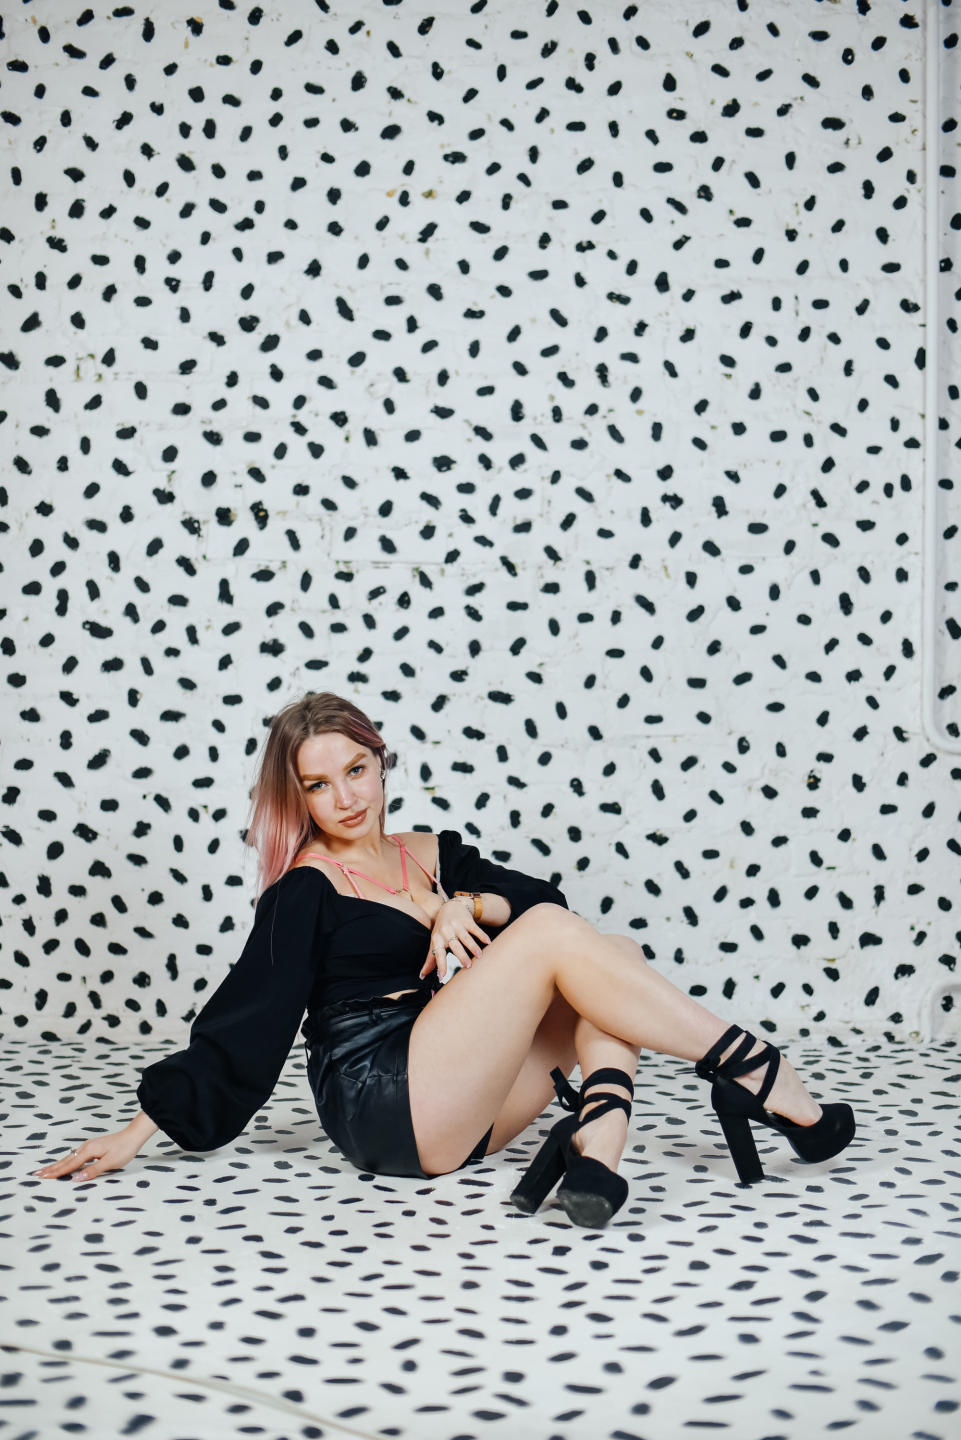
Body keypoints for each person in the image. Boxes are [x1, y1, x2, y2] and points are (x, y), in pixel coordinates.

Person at [33, 693, 856, 1228]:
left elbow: (543, 905)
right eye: (319, 785)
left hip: (463, 1103)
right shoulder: (305, 888)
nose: (346, 798)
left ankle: (597, 1152)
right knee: (558, 941)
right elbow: (247, 1020)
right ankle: (758, 1071)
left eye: (357, 770)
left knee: (611, 952)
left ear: (380, 760)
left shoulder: (429, 852)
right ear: (298, 797)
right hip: (381, 1099)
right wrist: (140, 1130)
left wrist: (459, 903)